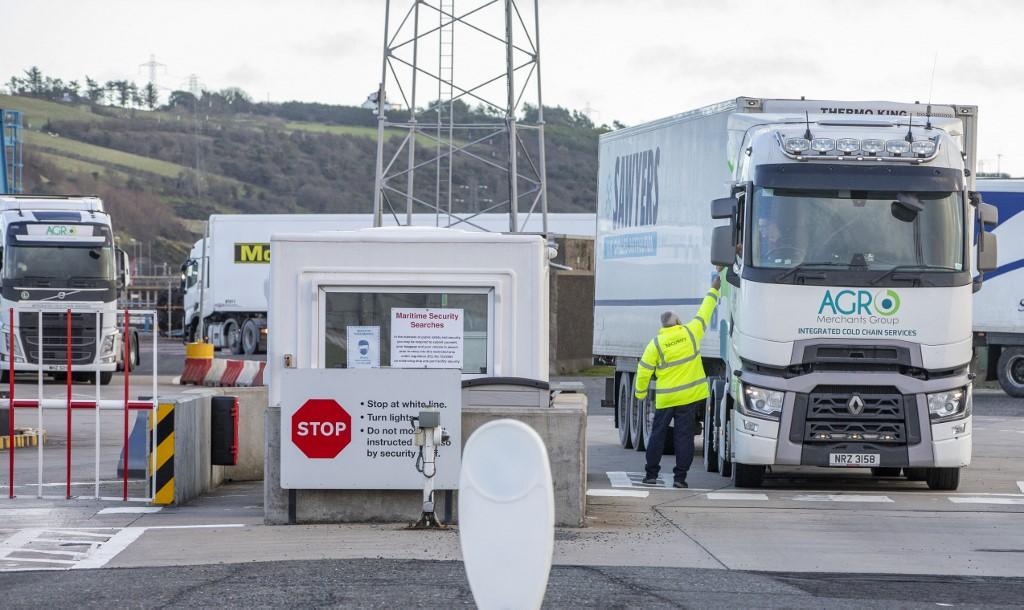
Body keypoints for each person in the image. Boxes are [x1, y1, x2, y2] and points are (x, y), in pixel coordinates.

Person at [634, 269, 722, 488]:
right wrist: (714, 288)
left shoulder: (656, 344)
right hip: (689, 398)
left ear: (662, 326)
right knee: (684, 438)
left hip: (666, 399)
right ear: (678, 322)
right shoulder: (691, 332)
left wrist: (640, 393)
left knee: (658, 435)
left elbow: (644, 370)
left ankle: (651, 475)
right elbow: (705, 311)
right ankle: (680, 478)